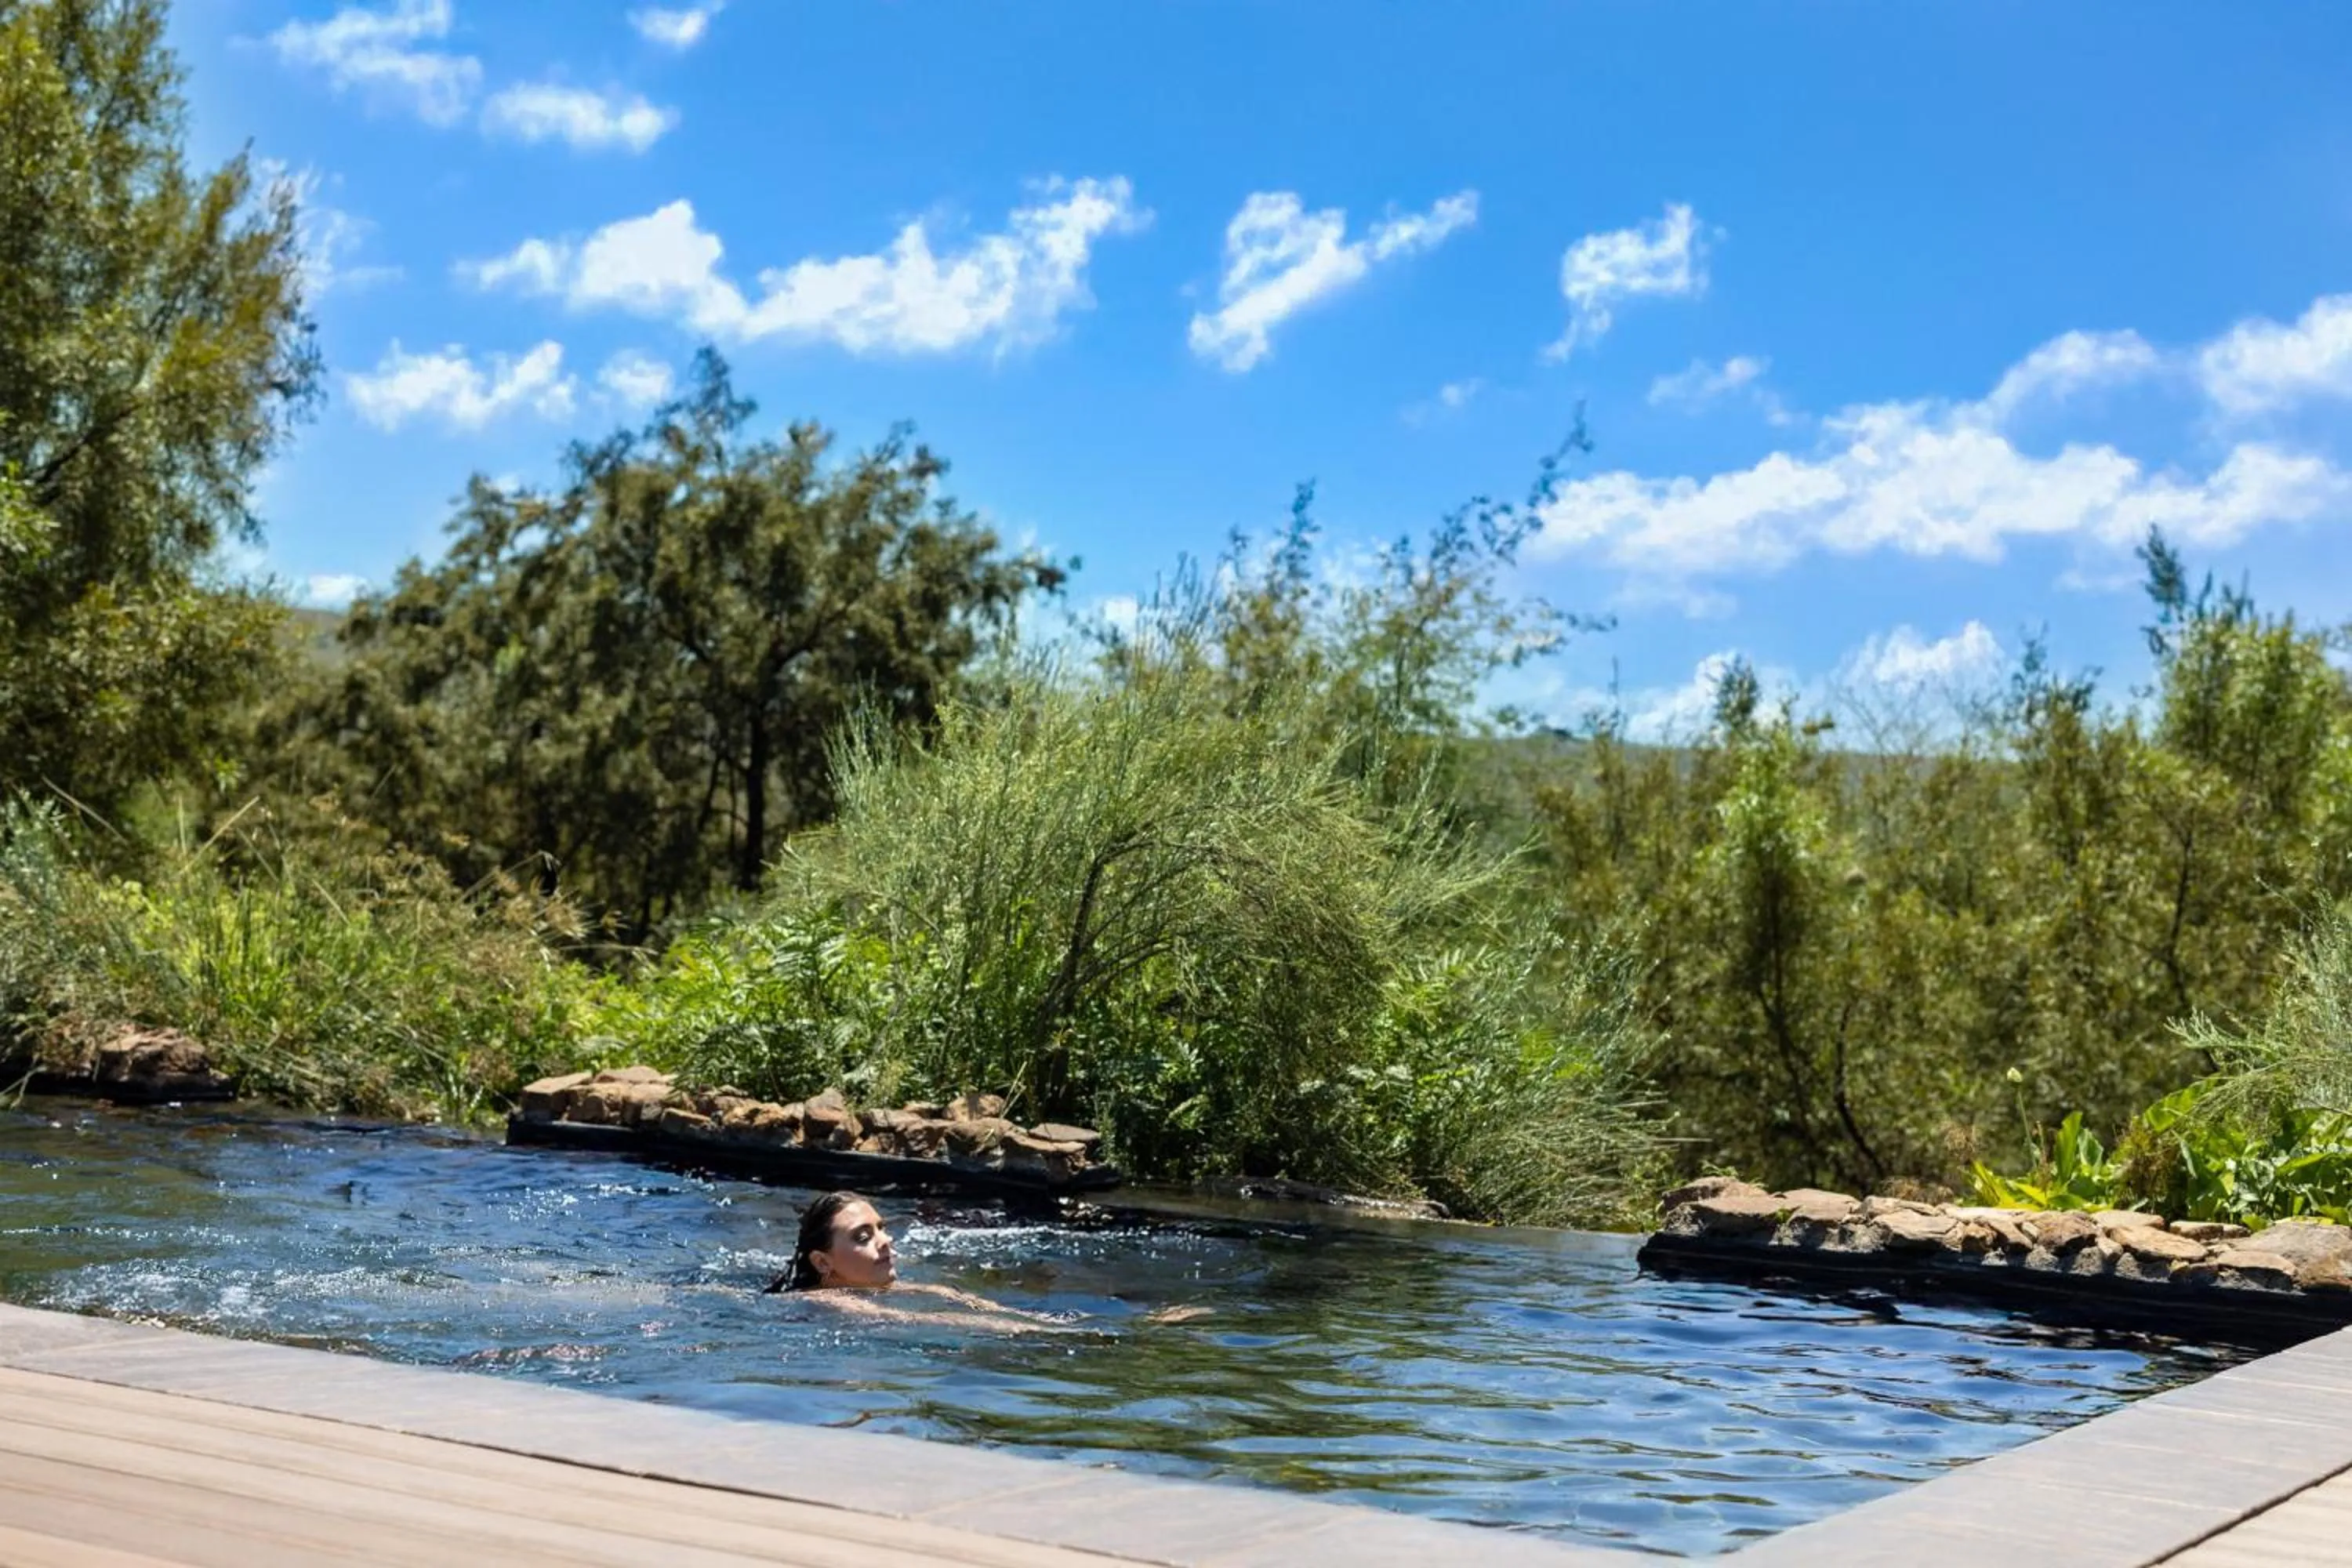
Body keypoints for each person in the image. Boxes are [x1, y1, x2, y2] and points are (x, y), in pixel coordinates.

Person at [763, 1191, 1207, 1330]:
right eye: (864, 1236)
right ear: (823, 1262)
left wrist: (1069, 1319)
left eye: (882, 1227)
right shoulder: (836, 1305)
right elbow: (949, 1323)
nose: (884, 1242)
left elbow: (982, 1309)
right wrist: (1087, 1332)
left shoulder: (893, 1291)